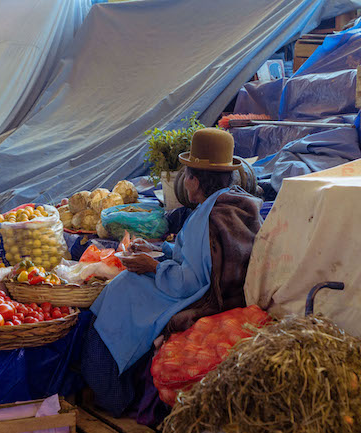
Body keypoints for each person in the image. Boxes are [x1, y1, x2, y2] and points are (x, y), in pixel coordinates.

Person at [81, 128, 263, 424]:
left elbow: (188, 282)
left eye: (187, 175)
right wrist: (158, 248)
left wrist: (152, 266)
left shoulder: (209, 216)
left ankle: (112, 392)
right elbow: (192, 256)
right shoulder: (229, 203)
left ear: (193, 180)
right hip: (197, 286)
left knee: (122, 291)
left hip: (196, 296)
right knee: (126, 285)